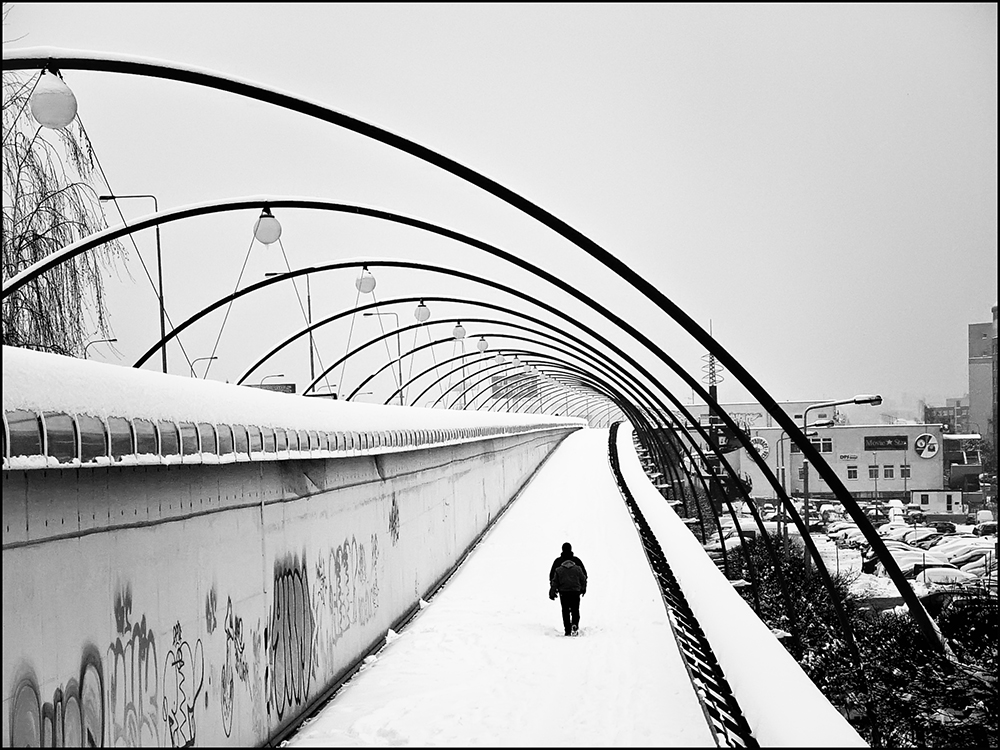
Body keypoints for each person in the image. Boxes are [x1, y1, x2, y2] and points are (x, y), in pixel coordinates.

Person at [548, 542, 587, 636]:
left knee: (565, 610)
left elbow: (552, 577)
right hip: (575, 591)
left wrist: (553, 590)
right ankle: (575, 625)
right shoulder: (577, 561)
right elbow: (584, 576)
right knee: (575, 610)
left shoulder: (558, 562)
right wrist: (583, 588)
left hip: (563, 592)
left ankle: (567, 630)